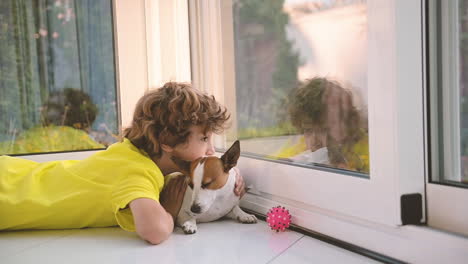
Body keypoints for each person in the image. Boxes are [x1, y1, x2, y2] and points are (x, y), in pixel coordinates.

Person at [0, 82, 246, 244]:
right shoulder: (136, 172)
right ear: (166, 140)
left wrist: (226, 182)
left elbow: (184, 177)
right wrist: (170, 213)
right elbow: (154, 230)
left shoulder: (131, 154)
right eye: (204, 138)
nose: (211, 149)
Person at [280, 77, 369, 173]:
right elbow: (276, 167)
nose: (315, 141)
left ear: (345, 125)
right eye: (308, 130)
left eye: (323, 130)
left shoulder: (369, 151)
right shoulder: (301, 146)